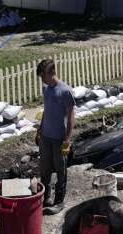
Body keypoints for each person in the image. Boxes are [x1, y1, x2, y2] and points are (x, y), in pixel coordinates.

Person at [35, 58, 76, 214]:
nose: (42, 79)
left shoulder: (65, 91)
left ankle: (59, 201)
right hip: (46, 136)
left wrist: (67, 139)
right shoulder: (46, 89)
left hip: (59, 138)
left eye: (43, 75)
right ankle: (45, 198)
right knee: (44, 169)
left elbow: (72, 116)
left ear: (52, 73)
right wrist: (40, 129)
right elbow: (47, 111)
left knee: (60, 170)